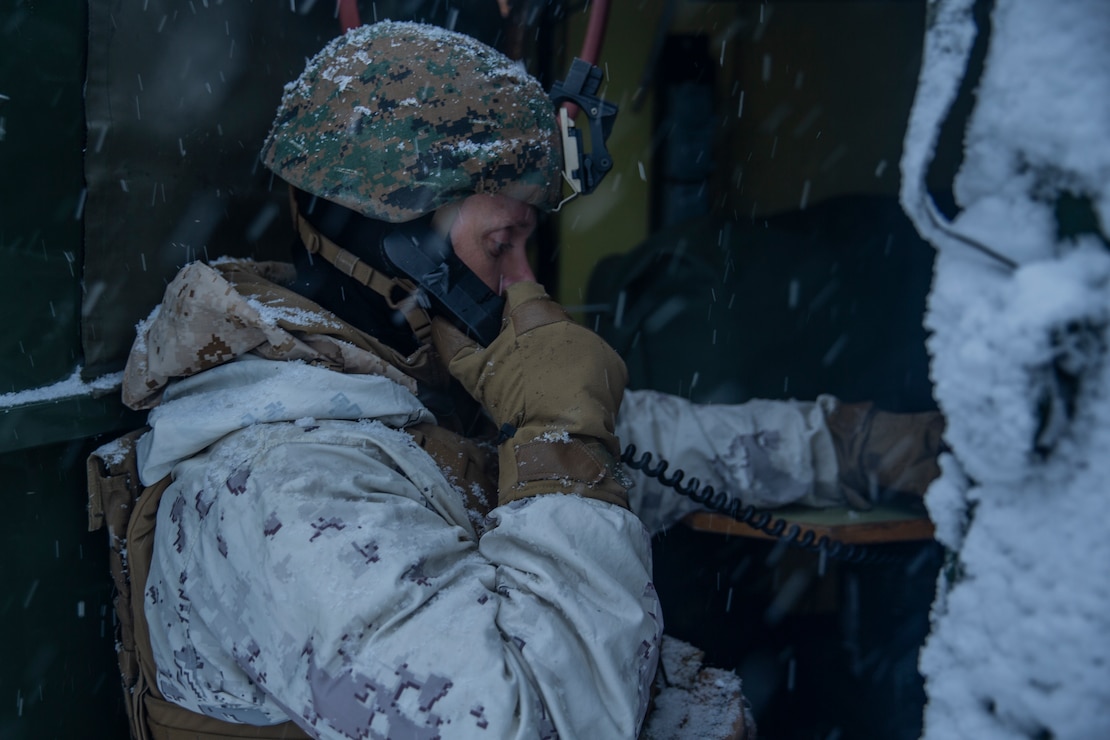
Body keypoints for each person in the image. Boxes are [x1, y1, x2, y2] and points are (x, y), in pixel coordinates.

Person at [117, 20, 942, 740]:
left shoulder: (399, 391)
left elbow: (640, 443)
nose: (522, 283)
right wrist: (558, 434)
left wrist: (859, 445)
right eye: (500, 242)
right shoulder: (279, 492)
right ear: (392, 240)